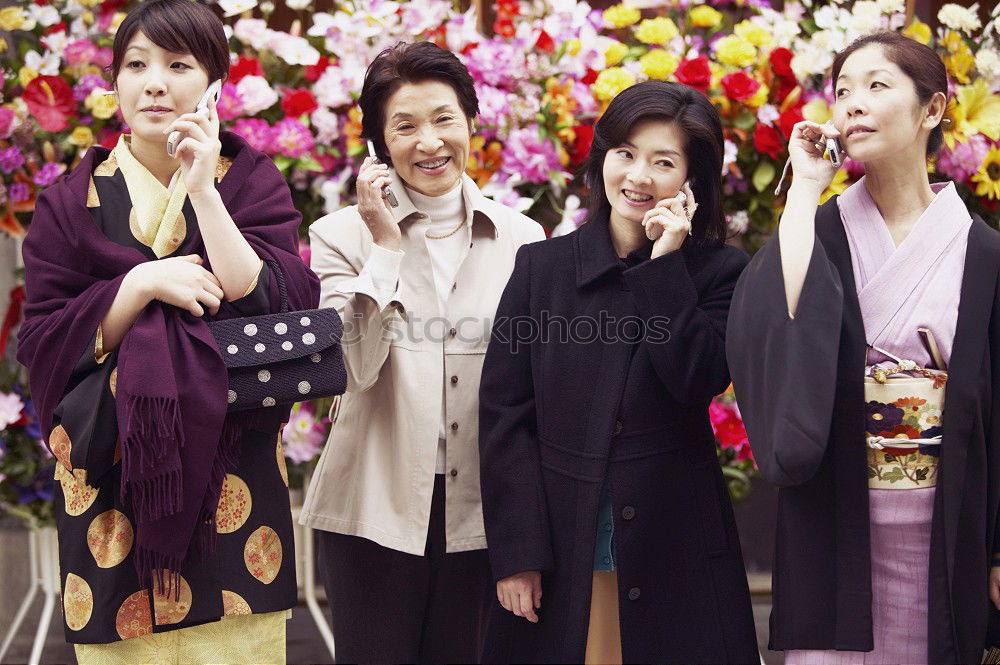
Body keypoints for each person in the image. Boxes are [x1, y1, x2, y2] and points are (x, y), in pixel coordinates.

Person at [15, 0, 319, 662]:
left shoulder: (248, 181)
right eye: (135, 64)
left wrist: (205, 189)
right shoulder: (70, 203)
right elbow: (42, 341)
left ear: (214, 83)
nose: (154, 82)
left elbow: (273, 300)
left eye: (178, 64)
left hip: (233, 489)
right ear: (115, 83)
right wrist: (139, 286)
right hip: (112, 483)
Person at [727, 32, 1000, 665]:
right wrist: (805, 188)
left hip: (946, 527)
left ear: (932, 109)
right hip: (835, 522)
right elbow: (781, 321)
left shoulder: (982, 252)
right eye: (842, 90)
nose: (852, 104)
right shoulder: (817, 227)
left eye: (877, 86)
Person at [477, 80, 759, 664]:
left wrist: (665, 265)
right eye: (625, 154)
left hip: (674, 543)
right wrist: (517, 552)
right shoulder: (542, 268)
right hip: (564, 544)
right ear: (602, 156)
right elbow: (505, 414)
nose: (638, 176)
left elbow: (695, 376)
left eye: (663, 162)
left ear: (693, 180)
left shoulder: (722, 271)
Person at [299, 41, 545, 663]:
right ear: (381, 144)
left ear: (470, 121)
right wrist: (383, 246)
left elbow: (534, 384)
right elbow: (349, 366)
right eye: (404, 126)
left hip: (483, 507)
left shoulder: (524, 239)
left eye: (443, 119)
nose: (429, 141)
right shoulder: (338, 236)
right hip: (373, 507)